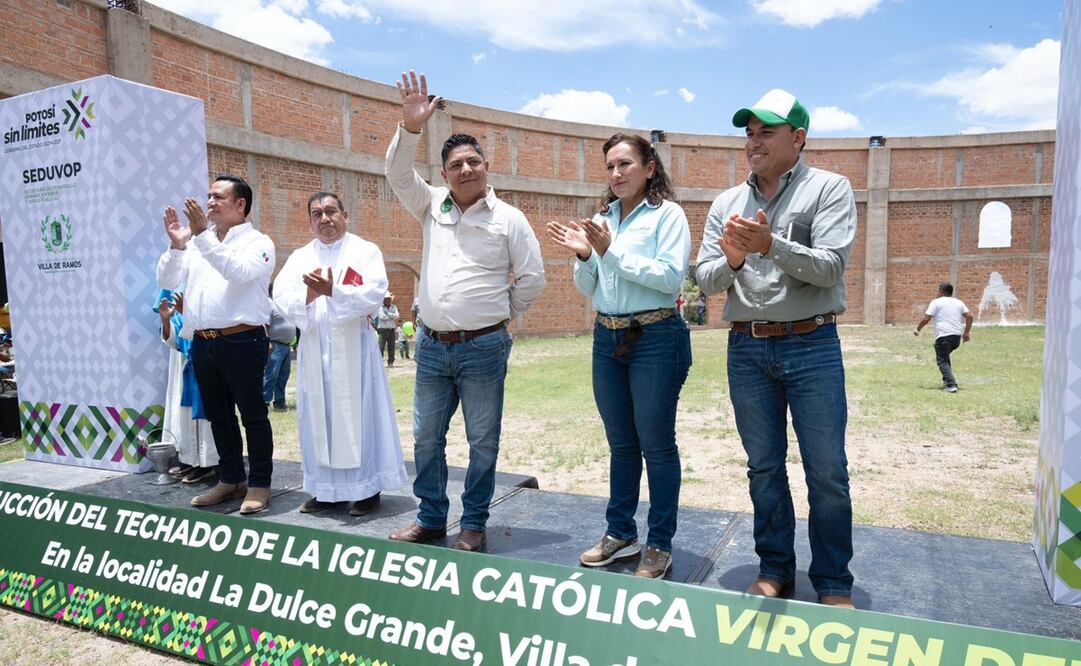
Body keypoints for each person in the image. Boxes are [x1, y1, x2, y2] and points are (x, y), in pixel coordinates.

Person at [695, 89, 857, 608]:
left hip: (812, 344)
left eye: (767, 131)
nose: (754, 141)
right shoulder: (726, 204)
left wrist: (772, 246)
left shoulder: (829, 189)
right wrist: (737, 260)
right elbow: (703, 277)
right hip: (747, 350)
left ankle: (833, 580)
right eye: (749, 132)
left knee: (826, 470)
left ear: (798, 138)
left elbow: (831, 265)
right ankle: (775, 568)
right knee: (763, 466)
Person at [384, 70, 545, 552]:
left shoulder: (509, 218)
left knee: (482, 443)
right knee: (426, 440)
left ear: (486, 165)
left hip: (484, 349)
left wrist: (497, 316)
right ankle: (431, 518)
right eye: (456, 164)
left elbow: (533, 279)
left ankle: (473, 523)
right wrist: (410, 128)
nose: (467, 169)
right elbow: (395, 172)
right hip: (431, 348)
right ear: (444, 173)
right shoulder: (430, 205)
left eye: (474, 161)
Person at [547, 133, 691, 578]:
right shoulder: (601, 218)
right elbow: (588, 288)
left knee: (657, 445)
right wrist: (587, 256)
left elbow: (669, 280)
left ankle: (660, 543)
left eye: (625, 164)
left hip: (655, 337)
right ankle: (620, 533)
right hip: (607, 340)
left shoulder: (668, 216)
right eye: (610, 166)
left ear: (650, 169)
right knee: (621, 445)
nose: (616, 174)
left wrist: (610, 251)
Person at [273, 191, 408, 516]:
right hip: (315, 347)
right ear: (310, 221)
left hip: (354, 348)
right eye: (317, 214)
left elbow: (375, 293)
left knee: (359, 416)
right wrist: (309, 294)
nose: (325, 219)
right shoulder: (301, 256)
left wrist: (333, 290)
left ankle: (366, 489)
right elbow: (280, 294)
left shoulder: (364, 251)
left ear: (345, 215)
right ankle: (326, 491)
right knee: (319, 418)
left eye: (331, 211)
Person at [156, 174, 276, 515]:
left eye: (218, 197)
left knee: (252, 415)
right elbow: (167, 280)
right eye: (208, 196)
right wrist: (178, 246)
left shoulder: (259, 242)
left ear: (241, 205)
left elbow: (236, 271)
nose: (209, 203)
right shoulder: (196, 243)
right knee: (218, 417)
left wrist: (200, 237)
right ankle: (230, 478)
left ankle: (260, 484)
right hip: (202, 342)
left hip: (242, 338)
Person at [156, 290, 219, 484]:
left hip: (210, 362)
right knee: (186, 416)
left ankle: (210, 464)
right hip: (187, 366)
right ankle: (192, 462)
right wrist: (167, 320)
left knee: (210, 418)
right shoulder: (179, 295)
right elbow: (173, 341)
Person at [914, 282, 973, 393]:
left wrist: (917, 329)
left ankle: (951, 385)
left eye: (938, 290)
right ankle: (947, 381)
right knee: (944, 358)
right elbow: (969, 316)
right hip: (956, 337)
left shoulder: (936, 302)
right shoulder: (958, 302)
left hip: (943, 336)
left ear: (941, 291)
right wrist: (966, 333)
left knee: (942, 361)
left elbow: (926, 318)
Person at [263, 297, 294, 410]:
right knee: (271, 374)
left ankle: (280, 402)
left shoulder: (286, 306)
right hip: (275, 345)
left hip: (286, 345)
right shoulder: (270, 304)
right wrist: (268, 342)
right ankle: (265, 402)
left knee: (283, 375)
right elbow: (264, 324)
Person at [376, 292, 399, 366]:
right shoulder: (380, 308)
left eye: (389, 299)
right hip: (383, 330)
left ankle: (390, 362)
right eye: (386, 299)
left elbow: (397, 316)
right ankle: (380, 362)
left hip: (391, 329)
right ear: (383, 300)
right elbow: (382, 317)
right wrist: (392, 316)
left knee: (391, 346)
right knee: (381, 347)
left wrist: (388, 314)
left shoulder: (394, 307)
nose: (387, 300)